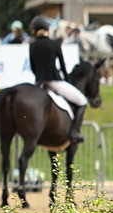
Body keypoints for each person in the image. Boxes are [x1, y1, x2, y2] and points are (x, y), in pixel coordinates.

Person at [28, 15, 88, 143]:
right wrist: (67, 81)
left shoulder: (32, 46)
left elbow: (32, 67)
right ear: (47, 29)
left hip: (39, 82)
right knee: (82, 101)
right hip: (54, 81)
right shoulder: (54, 44)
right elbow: (62, 66)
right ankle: (74, 132)